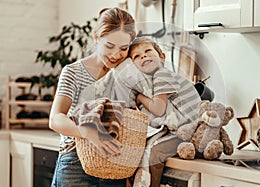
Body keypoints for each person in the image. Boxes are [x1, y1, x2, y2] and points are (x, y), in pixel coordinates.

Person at [49, 7, 136, 187]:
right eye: (109, 46)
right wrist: (87, 131)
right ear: (96, 38)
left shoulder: (127, 74)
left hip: (114, 162)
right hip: (75, 163)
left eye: (123, 48)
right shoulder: (73, 72)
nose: (115, 55)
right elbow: (56, 119)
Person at [126, 37, 201, 187]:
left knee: (154, 152)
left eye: (148, 51)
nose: (144, 56)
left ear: (162, 57)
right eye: (137, 56)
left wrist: (140, 98)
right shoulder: (151, 81)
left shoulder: (162, 74)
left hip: (189, 131)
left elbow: (158, 109)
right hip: (180, 130)